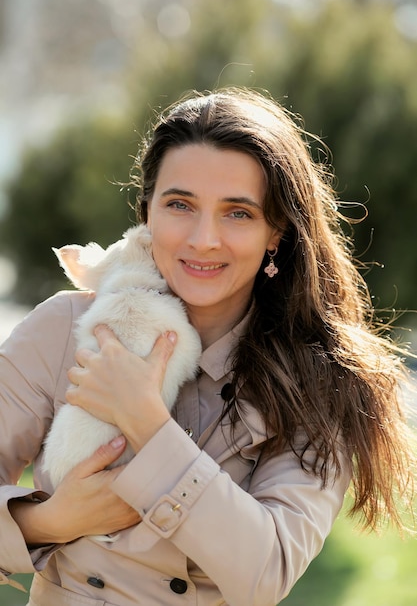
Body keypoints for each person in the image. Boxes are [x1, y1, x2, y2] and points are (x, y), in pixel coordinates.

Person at [0, 87, 415, 606]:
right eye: (180, 205)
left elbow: (267, 571)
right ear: (146, 213)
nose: (203, 239)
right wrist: (48, 521)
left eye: (237, 213)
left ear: (276, 232)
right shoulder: (65, 329)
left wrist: (146, 423)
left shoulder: (319, 381)